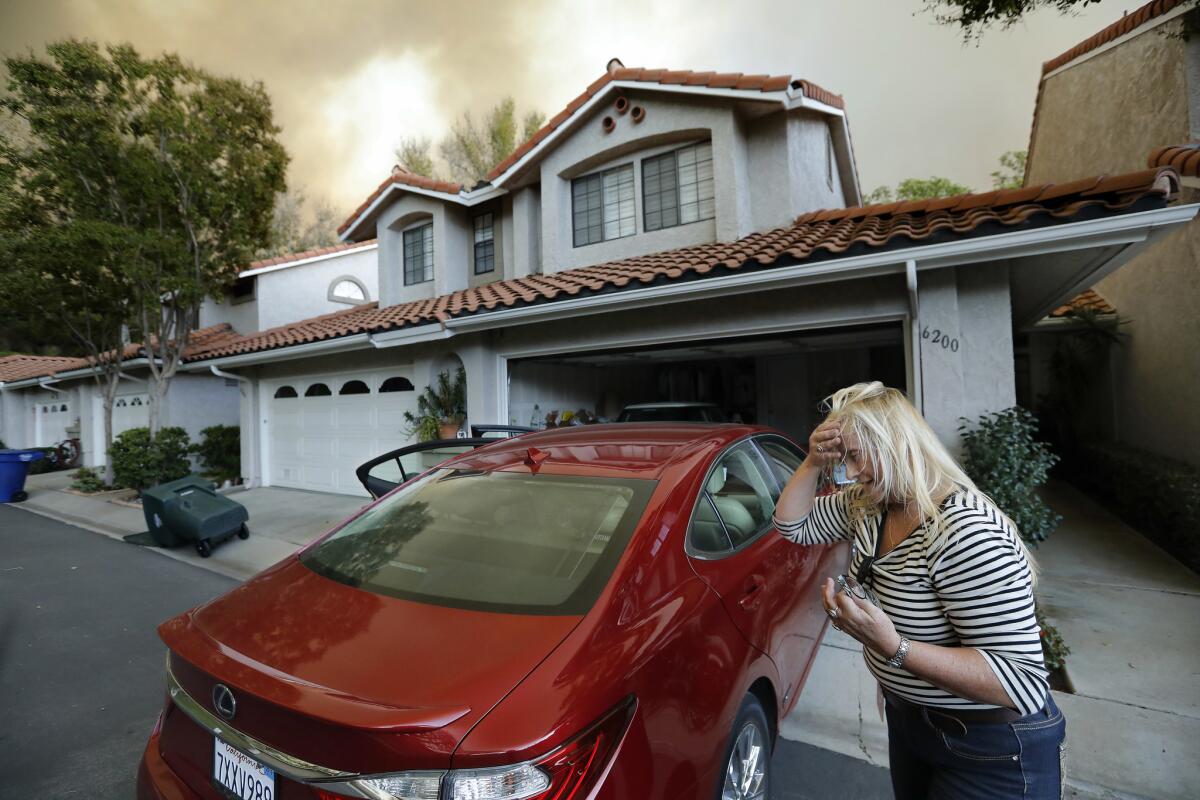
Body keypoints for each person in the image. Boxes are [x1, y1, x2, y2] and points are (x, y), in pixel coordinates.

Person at [773, 382, 1065, 799]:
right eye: (843, 458)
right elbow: (792, 524)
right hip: (913, 724)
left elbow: (1020, 681)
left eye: (855, 456)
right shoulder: (871, 505)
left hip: (991, 751)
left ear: (896, 444)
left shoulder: (966, 532)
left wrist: (893, 646)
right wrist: (812, 462)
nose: (850, 473)